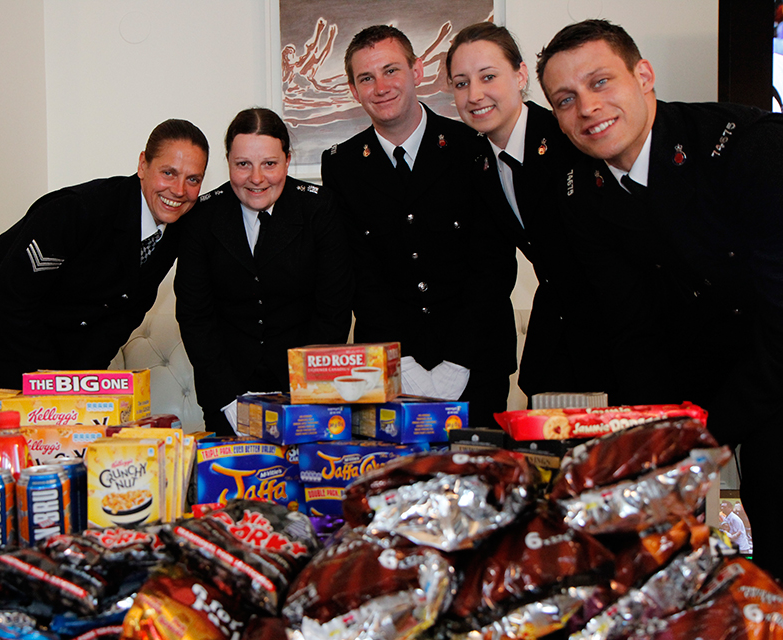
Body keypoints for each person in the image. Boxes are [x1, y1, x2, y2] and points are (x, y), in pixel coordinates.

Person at [537, 19, 783, 578]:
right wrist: (650, 440)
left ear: (643, 75)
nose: (587, 109)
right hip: (698, 369)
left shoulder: (750, 146)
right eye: (565, 99)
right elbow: (632, 325)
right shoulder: (581, 189)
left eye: (601, 82)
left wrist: (707, 435)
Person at [321, 25, 517, 428]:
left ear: (418, 70)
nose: (381, 87)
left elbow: (493, 261)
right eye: (366, 78)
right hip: (390, 368)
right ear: (354, 90)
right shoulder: (341, 164)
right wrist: (401, 360)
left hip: (477, 360)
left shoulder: (472, 145)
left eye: (391, 70)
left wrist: (458, 361)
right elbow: (360, 270)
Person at [0, 119, 209, 389]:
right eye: (168, 172)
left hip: (53, 327)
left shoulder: (176, 227)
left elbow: (126, 312)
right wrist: (53, 381)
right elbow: (13, 296)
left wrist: (85, 380)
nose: (179, 191)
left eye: (193, 179)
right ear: (143, 165)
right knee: (38, 419)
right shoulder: (79, 210)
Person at [175, 108, 354, 435]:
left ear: (287, 160)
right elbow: (195, 316)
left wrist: (303, 394)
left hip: (306, 391)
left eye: (269, 164)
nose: (257, 178)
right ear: (228, 162)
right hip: (225, 395)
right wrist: (228, 400)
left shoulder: (319, 209)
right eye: (243, 164)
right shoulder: (201, 217)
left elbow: (333, 310)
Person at [445, 22, 599, 398]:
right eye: (461, 83)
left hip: (615, 333)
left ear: (520, 74)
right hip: (556, 339)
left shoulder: (569, 137)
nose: (475, 94)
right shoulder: (478, 161)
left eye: (488, 76)